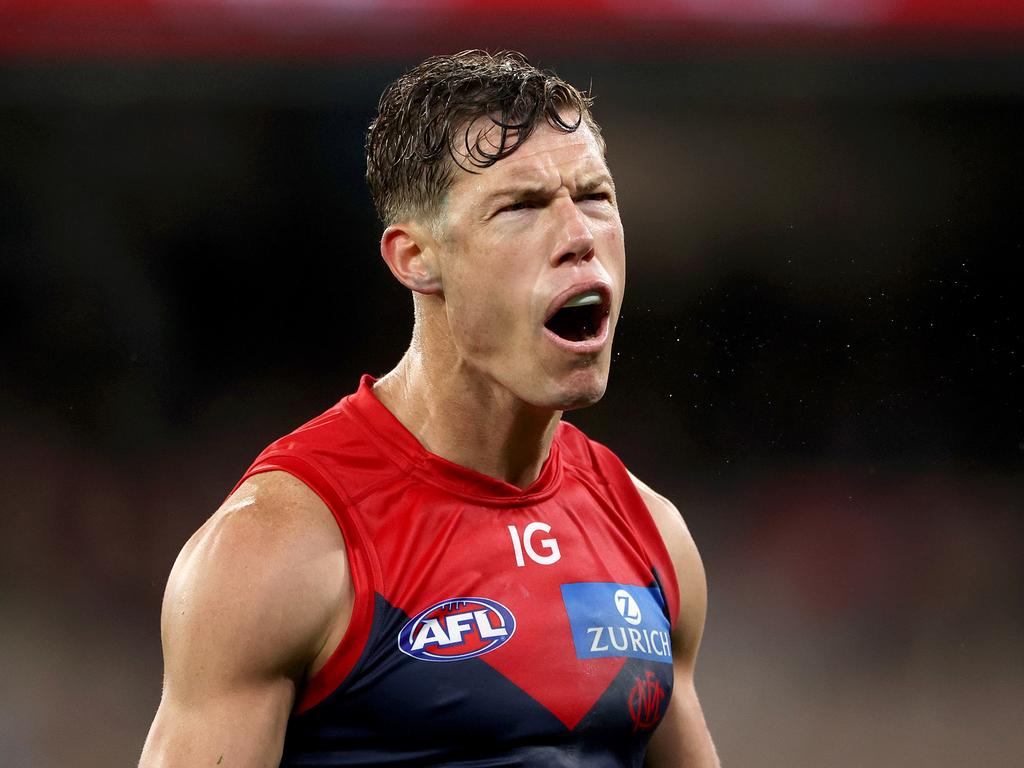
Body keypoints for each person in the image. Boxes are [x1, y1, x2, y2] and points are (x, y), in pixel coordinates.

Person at [140, 50, 720, 767]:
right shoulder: (282, 550)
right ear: (415, 257)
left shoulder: (652, 536)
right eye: (523, 206)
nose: (579, 237)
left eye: (595, 196)